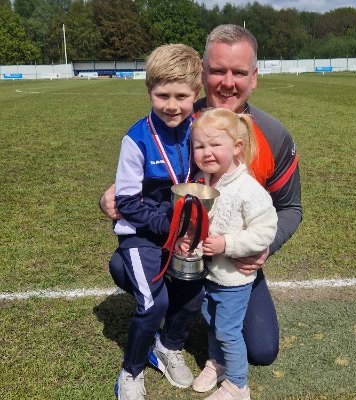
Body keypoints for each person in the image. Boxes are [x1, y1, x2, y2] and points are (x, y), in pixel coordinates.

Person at [101, 24, 302, 386]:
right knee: (123, 265)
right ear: (202, 73)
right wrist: (109, 196)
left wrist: (263, 248)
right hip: (179, 242)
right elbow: (145, 171)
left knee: (261, 350)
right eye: (218, 70)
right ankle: (168, 318)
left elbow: (291, 208)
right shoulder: (181, 116)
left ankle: (191, 309)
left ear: (254, 77)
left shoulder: (273, 135)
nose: (227, 82)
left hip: (233, 256)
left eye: (239, 72)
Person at [111, 43, 202, 400]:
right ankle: (131, 371)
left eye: (181, 95)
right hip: (142, 234)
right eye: (162, 95)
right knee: (154, 304)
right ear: (149, 91)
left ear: (196, 93)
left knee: (194, 295)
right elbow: (125, 202)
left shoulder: (201, 129)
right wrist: (169, 226)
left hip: (185, 232)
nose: (172, 105)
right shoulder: (136, 139)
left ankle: (167, 345)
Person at [175, 108, 278, 399]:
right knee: (210, 320)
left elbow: (265, 230)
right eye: (199, 146)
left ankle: (237, 385)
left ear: (237, 148)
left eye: (215, 145)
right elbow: (197, 223)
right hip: (210, 275)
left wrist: (227, 245)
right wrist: (188, 239)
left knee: (228, 330)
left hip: (234, 279)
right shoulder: (202, 181)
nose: (206, 153)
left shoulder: (248, 189)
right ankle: (217, 363)